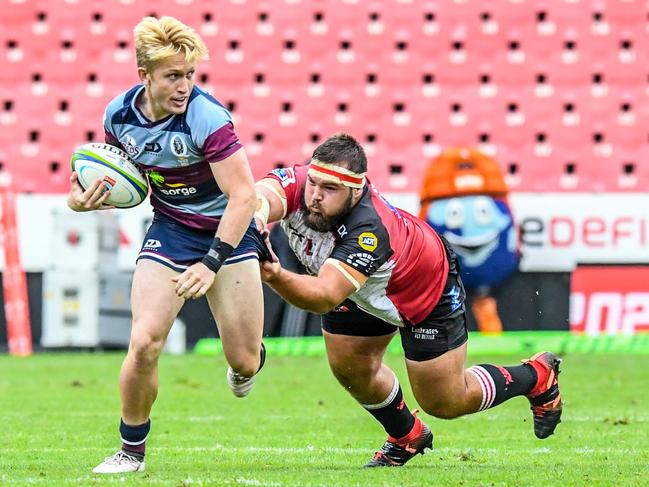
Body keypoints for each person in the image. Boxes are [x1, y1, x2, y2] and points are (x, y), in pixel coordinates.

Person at [254, 133, 563, 467]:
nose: (314, 196)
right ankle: (407, 435)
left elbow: (324, 296)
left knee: (445, 401)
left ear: (356, 190)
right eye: (313, 183)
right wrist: (253, 222)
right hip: (360, 287)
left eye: (329, 190)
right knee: (350, 368)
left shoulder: (369, 231)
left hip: (422, 288)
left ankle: (536, 376)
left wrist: (273, 274)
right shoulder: (302, 184)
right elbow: (258, 198)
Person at [67, 16, 268, 474]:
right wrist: (81, 200)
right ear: (145, 76)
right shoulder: (117, 115)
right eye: (173, 76)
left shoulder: (209, 118)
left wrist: (212, 263)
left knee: (244, 358)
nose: (184, 86)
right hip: (172, 230)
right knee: (143, 342)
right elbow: (113, 176)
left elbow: (244, 197)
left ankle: (247, 364)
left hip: (229, 233)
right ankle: (130, 452)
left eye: (190, 75)